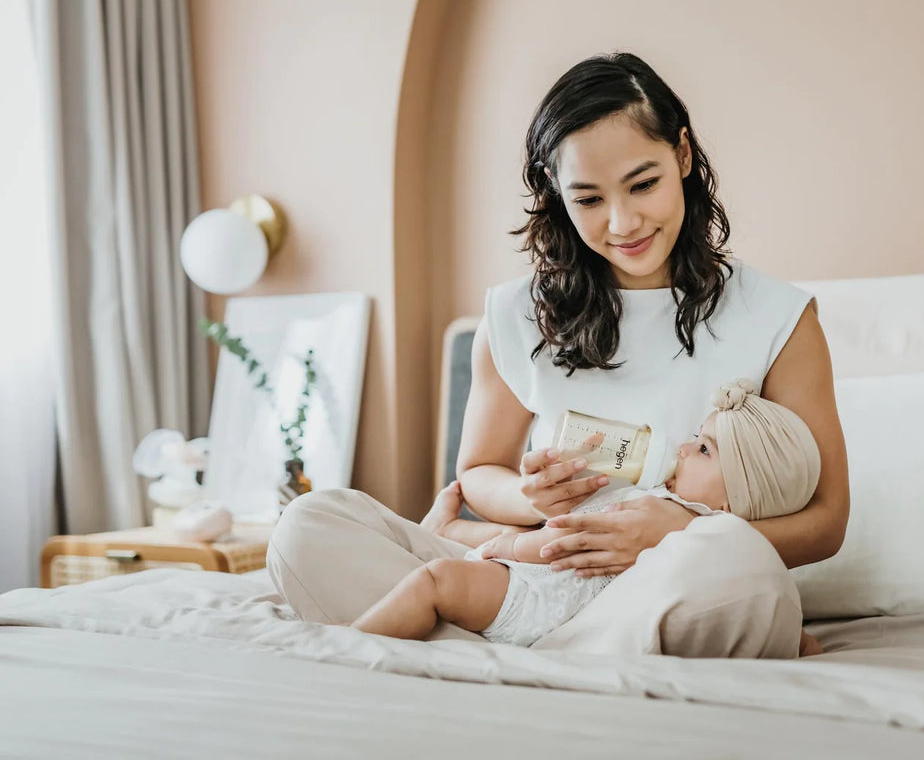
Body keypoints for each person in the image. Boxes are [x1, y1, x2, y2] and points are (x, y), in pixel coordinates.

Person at [266, 52, 848, 658]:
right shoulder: (516, 315)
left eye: (643, 183)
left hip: (673, 590)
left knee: (734, 565)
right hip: (538, 580)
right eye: (589, 199)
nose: (623, 223)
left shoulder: (779, 318)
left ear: (682, 155)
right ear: (554, 188)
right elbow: (480, 474)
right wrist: (531, 500)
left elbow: (827, 521)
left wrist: (683, 530)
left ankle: (475, 655)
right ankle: (550, 656)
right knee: (308, 526)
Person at [351, 380, 824, 657]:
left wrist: (509, 549)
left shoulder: (666, 514)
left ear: (730, 501)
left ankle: (340, 652)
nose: (683, 449)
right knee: (509, 534)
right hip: (547, 580)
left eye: (703, 450)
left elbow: (563, 541)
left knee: (437, 581)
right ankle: (447, 531)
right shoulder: (711, 539)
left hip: (538, 599)